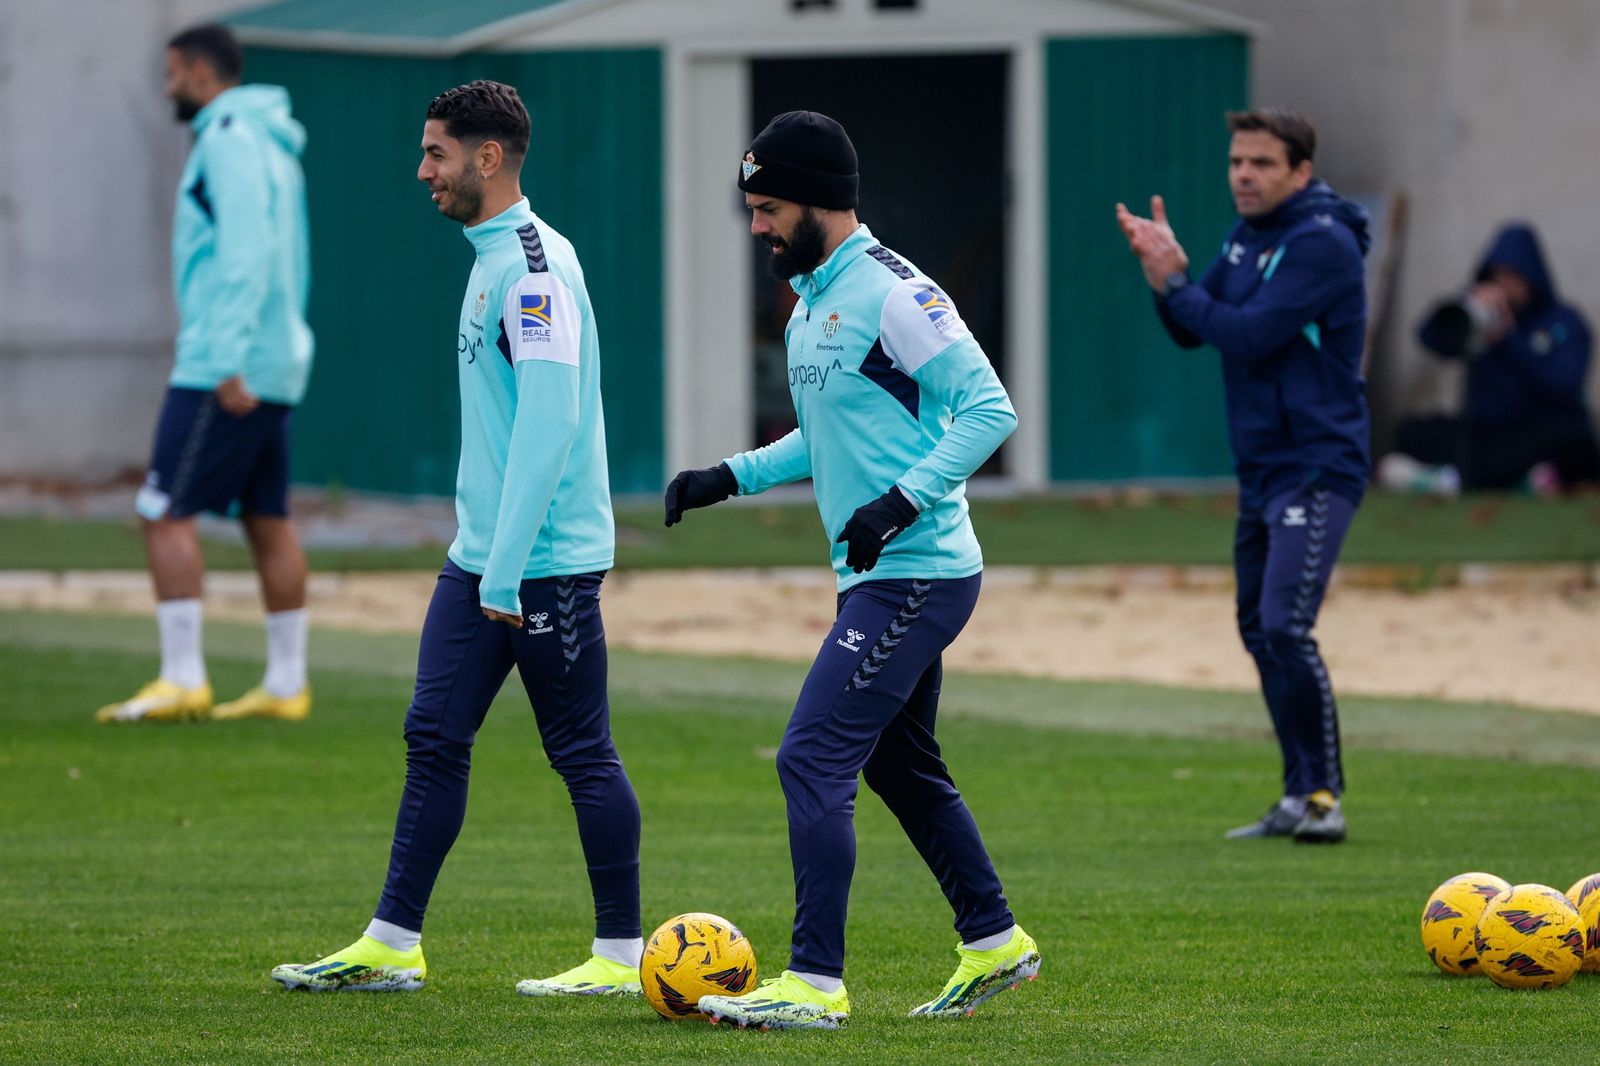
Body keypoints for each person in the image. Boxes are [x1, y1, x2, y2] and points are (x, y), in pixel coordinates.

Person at [664, 111, 1039, 1030]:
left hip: (918, 573)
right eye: (751, 208)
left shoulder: (895, 294)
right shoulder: (811, 300)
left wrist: (899, 503)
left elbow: (990, 411)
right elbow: (828, 433)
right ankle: (995, 943)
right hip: (876, 573)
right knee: (899, 767)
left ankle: (814, 984)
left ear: (822, 203)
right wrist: (730, 477)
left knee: (812, 754)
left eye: (769, 208)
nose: (756, 227)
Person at [270, 81, 643, 997]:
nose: (421, 170)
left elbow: (550, 427)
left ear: (487, 157)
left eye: (436, 152)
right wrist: (486, 558)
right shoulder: (487, 256)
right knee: (432, 734)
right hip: (484, 557)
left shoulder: (534, 266)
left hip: (540, 565)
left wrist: (509, 571)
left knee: (581, 752)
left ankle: (620, 957)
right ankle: (392, 943)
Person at [1115, 108, 1370, 845]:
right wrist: (1165, 278)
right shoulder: (1245, 237)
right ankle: (1296, 795)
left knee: (1286, 625)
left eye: (1260, 163)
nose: (1244, 176)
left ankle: (1323, 798)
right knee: (1258, 627)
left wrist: (1179, 283)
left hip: (1317, 463)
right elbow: (1194, 328)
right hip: (1263, 467)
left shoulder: (1322, 244)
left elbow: (1251, 335)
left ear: (1300, 171)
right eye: (1236, 163)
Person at [96, 23, 314, 724]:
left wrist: (222, 358)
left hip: (228, 363)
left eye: (170, 74)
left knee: (162, 510)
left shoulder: (226, 139)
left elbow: (246, 255)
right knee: (267, 518)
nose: (166, 89)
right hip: (274, 358)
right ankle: (286, 687)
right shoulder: (273, 143)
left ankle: (182, 677)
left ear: (196, 70)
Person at [1378, 222, 1598, 495]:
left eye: (1512, 276)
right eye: (1497, 276)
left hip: (1538, 429)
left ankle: (1452, 479)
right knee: (1412, 431)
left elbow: (1563, 385)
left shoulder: (1564, 323)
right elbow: (1429, 339)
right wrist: (1463, 310)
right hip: (1487, 433)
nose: (1504, 285)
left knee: (1574, 438)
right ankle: (1518, 482)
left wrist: (1508, 337)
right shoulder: (1478, 320)